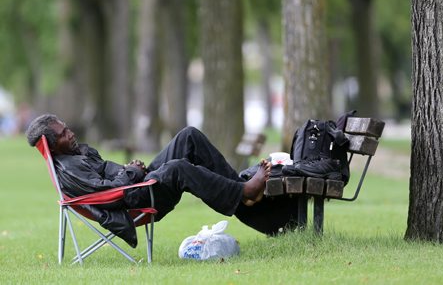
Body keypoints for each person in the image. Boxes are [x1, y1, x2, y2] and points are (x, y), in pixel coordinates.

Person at [26, 114, 298, 247]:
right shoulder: (70, 170)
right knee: (178, 168)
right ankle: (245, 191)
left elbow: (112, 176)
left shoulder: (77, 152)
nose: (70, 133)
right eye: (63, 134)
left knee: (188, 136)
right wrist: (131, 172)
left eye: (67, 128)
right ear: (52, 144)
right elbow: (110, 192)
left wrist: (131, 170)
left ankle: (243, 192)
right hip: (133, 199)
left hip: (136, 183)